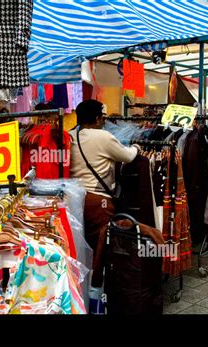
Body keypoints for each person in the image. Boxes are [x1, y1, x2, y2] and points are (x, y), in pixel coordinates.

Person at [69, 99, 140, 288]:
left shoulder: (69, 136)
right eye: (102, 117)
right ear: (98, 118)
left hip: (72, 200)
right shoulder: (103, 136)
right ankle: (96, 290)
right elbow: (128, 156)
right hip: (97, 201)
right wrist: (137, 148)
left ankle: (77, 289)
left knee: (78, 247)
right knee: (99, 248)